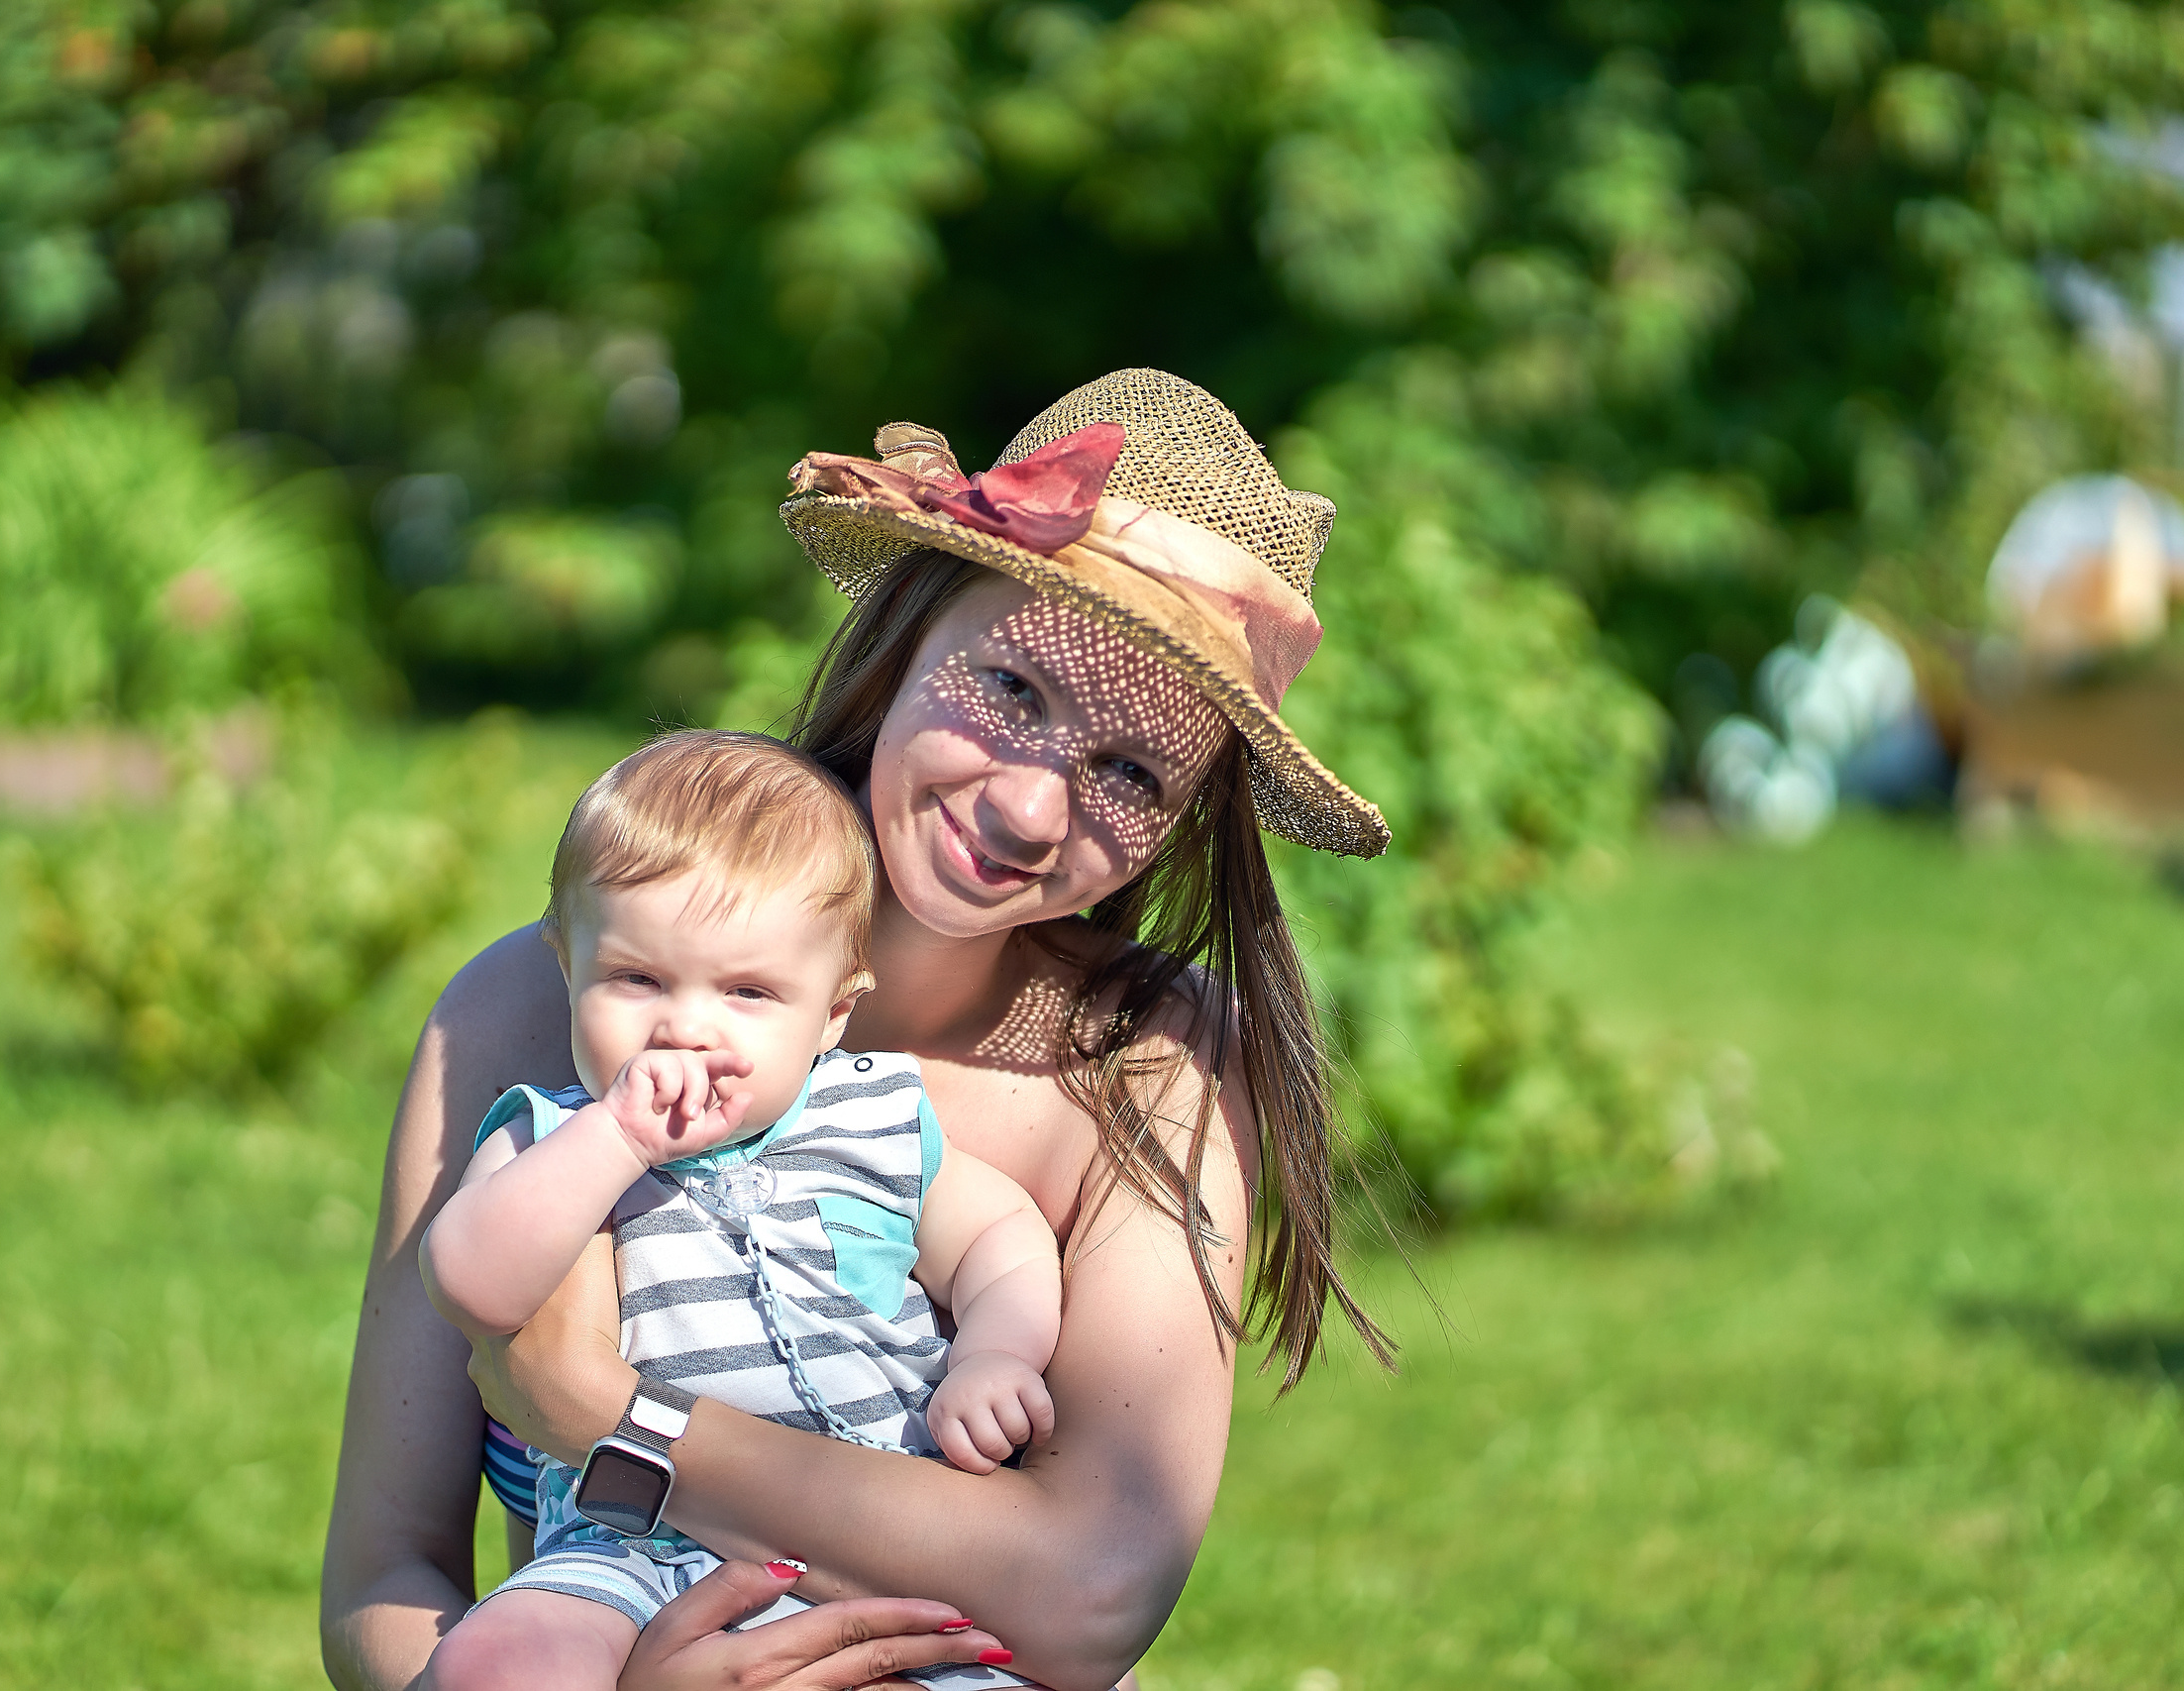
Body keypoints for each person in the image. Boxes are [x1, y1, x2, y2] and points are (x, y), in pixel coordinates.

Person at [321, 369, 1395, 1691]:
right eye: (1012, 688)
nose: (1030, 810)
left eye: (1131, 771)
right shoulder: (540, 1014)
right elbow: (384, 1580)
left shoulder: (1146, 1061)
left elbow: (1097, 1588)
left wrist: (608, 1411)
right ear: (904, 641)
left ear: (1182, 822)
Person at [418, 732, 1060, 1688]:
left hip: (876, 1537)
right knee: (496, 1661)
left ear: (833, 1013)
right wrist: (615, 1140)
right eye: (637, 979)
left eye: (749, 992)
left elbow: (1001, 1239)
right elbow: (471, 1281)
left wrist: (996, 1354)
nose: (686, 1026)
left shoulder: (873, 1118)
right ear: (567, 966)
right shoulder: (553, 1133)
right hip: (629, 1545)